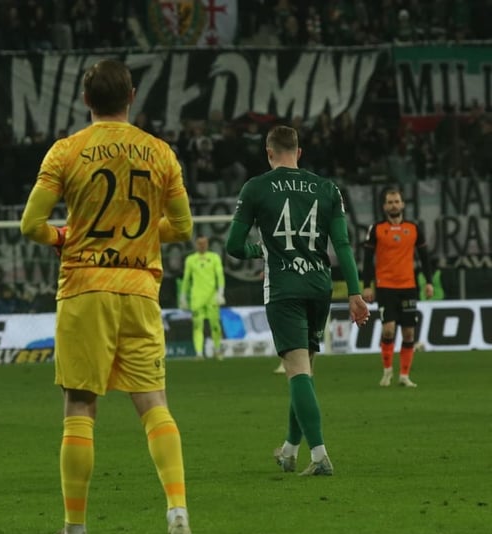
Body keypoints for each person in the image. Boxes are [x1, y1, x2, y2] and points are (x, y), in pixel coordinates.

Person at [21, 58, 195, 534]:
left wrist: (61, 237)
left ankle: (75, 532)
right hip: (139, 289)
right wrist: (141, 236)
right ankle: (178, 511)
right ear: (132, 96)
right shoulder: (160, 152)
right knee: (154, 404)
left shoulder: (66, 151)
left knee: (79, 405)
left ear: (85, 99)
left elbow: (30, 225)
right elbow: (183, 227)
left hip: (84, 288)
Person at [225, 125, 369, 476]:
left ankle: (319, 456)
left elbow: (233, 245)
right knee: (304, 369)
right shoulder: (327, 188)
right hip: (319, 286)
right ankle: (289, 450)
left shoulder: (256, 187)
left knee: (296, 370)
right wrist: (355, 292)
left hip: (284, 288)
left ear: (268, 152)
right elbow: (342, 245)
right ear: (299, 152)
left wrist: (259, 250)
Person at [362, 188, 433, 388]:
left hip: (408, 286)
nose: (394, 205)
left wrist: (428, 282)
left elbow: (424, 258)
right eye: (390, 202)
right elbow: (367, 260)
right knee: (388, 330)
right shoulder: (376, 229)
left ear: (402, 204)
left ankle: (404, 375)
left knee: (409, 333)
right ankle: (387, 371)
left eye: (396, 201)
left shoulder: (413, 228)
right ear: (384, 206)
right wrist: (367, 285)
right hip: (385, 286)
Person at [180, 235, 226, 359]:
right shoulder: (190, 259)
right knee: (197, 326)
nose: (202, 245)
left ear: (207, 244)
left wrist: (220, 293)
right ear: (196, 244)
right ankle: (199, 353)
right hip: (197, 298)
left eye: (204, 243)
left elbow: (220, 275)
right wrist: (183, 296)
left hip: (212, 298)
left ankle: (217, 349)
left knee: (215, 325)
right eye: (200, 243)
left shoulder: (214, 257)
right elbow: (186, 279)